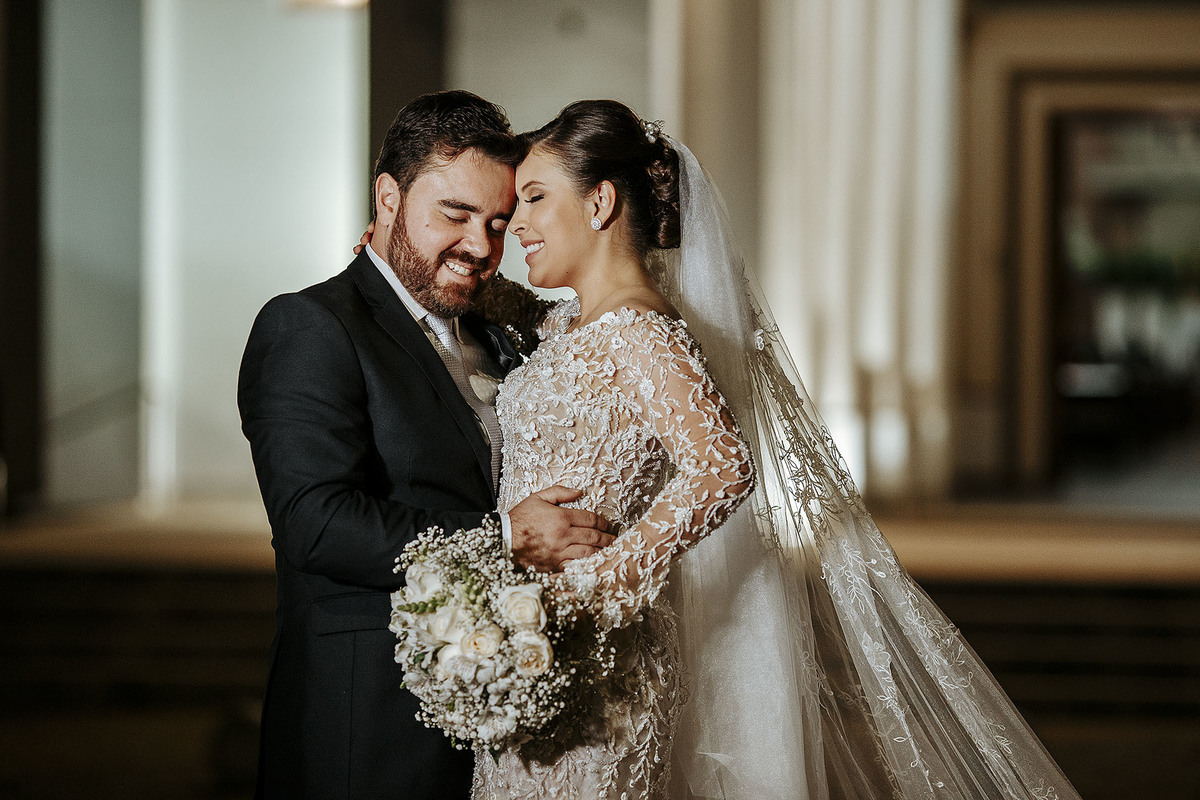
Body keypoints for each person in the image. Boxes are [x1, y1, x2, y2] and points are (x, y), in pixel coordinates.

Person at [464, 100, 1084, 800]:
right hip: (534, 635)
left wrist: (607, 578)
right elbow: (514, 315)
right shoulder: (572, 322)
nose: (516, 225)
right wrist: (432, 268)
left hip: (595, 645)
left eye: (535, 200)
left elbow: (723, 466)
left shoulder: (639, 334)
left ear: (600, 201)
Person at [236, 91, 613, 800]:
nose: (481, 245)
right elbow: (315, 523)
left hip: (501, 721)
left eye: (499, 222)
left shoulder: (496, 332)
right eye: (456, 214)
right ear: (388, 197)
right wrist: (507, 537)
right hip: (365, 723)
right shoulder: (309, 327)